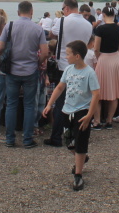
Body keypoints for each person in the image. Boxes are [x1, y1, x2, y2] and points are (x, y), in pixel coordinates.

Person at [43, 40, 101, 191]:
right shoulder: (68, 70)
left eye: (68, 54)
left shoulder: (89, 73)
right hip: (67, 111)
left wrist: (90, 115)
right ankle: (81, 157)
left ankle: (78, 175)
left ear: (77, 56)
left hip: (82, 112)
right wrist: (50, 104)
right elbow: (60, 87)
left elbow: (95, 95)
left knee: (81, 142)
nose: (65, 56)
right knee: (69, 141)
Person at [45, 0, 93, 146]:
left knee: (61, 102)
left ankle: (57, 137)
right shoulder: (88, 24)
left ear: (66, 8)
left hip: (64, 65)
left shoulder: (61, 21)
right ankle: (77, 133)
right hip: (81, 65)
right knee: (80, 101)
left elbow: (52, 35)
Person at [0, 1, 48, 148]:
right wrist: (38, 62)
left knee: (11, 104)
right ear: (32, 11)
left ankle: (10, 138)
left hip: (12, 70)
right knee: (29, 105)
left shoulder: (10, 26)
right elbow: (45, 52)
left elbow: (0, 46)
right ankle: (27, 139)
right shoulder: (37, 29)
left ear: (18, 12)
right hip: (30, 70)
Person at [94, 6, 119, 127]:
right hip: (116, 59)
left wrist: (99, 57)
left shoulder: (100, 29)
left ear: (103, 15)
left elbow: (96, 48)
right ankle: (109, 120)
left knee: (97, 92)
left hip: (103, 59)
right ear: (114, 15)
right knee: (114, 91)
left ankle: (97, 121)